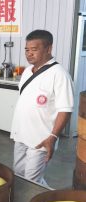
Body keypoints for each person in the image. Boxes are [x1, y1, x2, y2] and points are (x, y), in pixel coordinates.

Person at [10, 30, 74, 186]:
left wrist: (53, 137)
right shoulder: (26, 71)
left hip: (41, 139)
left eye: (34, 49)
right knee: (19, 174)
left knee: (31, 180)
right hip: (21, 135)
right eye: (27, 49)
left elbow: (65, 109)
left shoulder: (59, 74)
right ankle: (44, 195)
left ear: (48, 49)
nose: (29, 53)